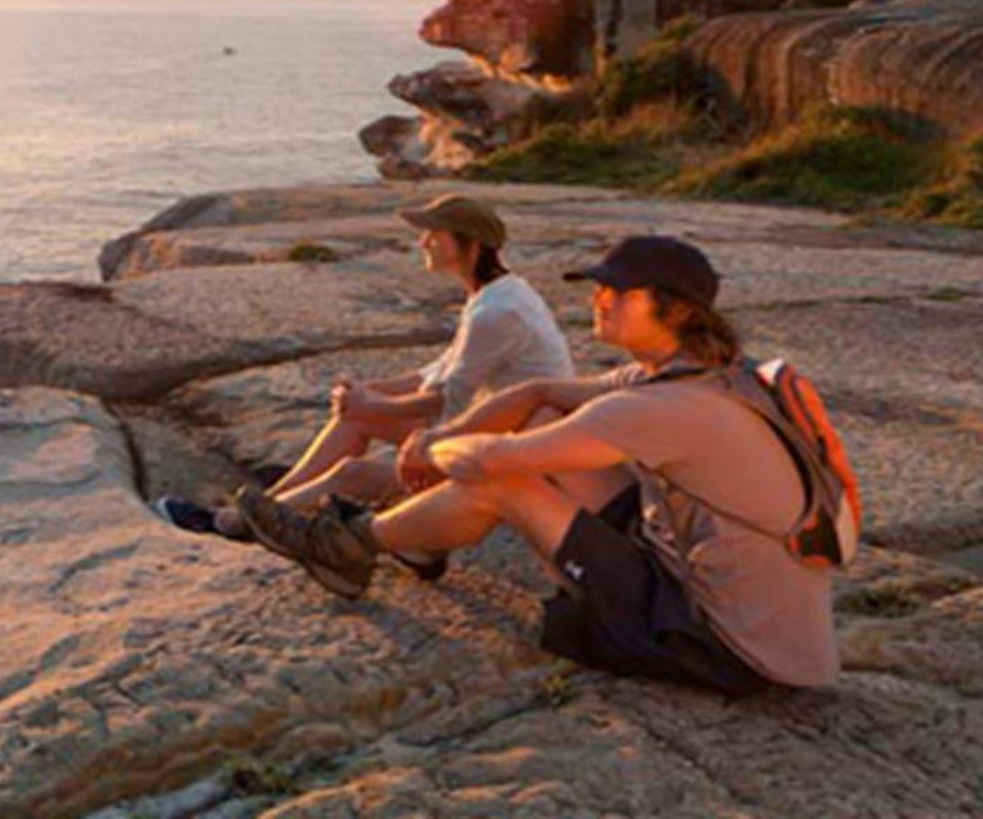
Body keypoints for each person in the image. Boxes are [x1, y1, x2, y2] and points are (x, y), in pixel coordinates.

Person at [236, 235, 839, 694]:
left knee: (504, 484)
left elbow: (495, 462)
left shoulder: (666, 407)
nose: (597, 300)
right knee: (543, 419)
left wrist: (428, 448)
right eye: (598, 287)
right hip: (725, 596)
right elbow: (534, 394)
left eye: (618, 292)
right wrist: (439, 435)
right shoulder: (711, 372)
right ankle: (414, 543)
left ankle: (349, 544)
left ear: (677, 311)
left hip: (722, 643)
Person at [155, 194, 572, 551]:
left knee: (350, 473)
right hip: (490, 426)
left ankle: (239, 524)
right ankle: (257, 509)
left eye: (434, 233)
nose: (423, 241)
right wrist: (371, 392)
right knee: (354, 416)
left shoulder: (497, 311)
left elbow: (446, 397)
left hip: (506, 447)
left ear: (472, 244)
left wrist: (376, 403)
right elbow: (441, 370)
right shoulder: (496, 294)